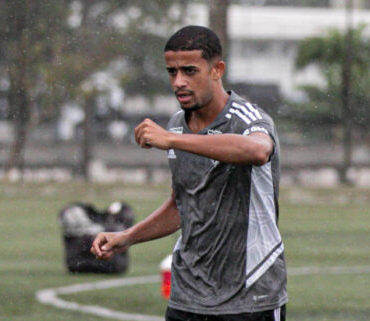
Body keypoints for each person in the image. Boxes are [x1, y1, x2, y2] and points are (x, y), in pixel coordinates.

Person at [91, 25, 287, 321]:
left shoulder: (247, 119)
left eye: (190, 71)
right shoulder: (177, 124)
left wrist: (172, 140)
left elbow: (257, 151)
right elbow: (184, 206)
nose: (179, 82)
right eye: (172, 72)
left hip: (251, 297)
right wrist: (127, 237)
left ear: (217, 69)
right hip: (188, 298)